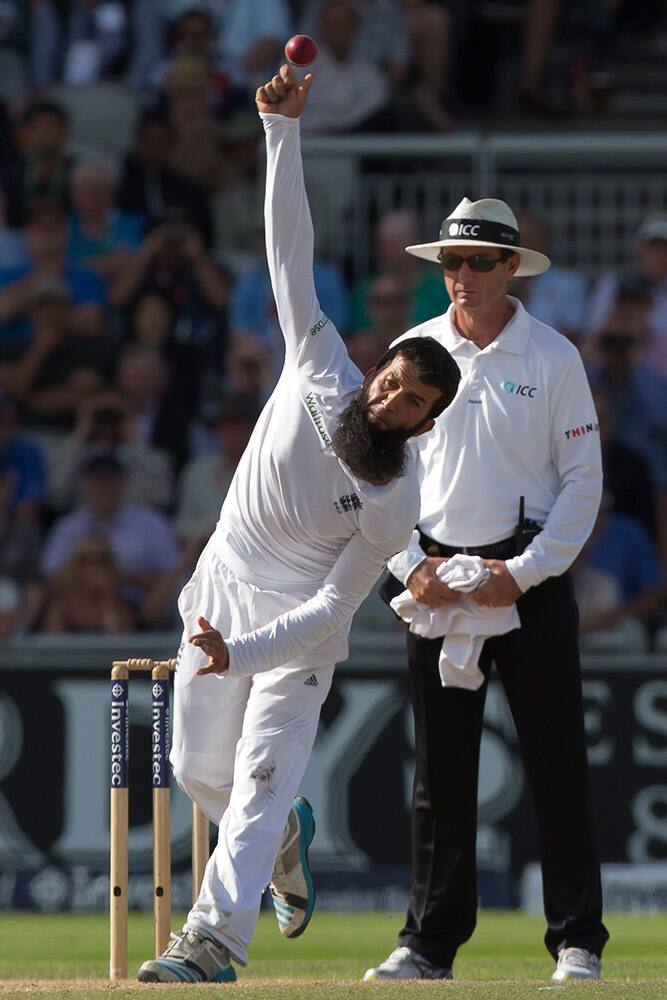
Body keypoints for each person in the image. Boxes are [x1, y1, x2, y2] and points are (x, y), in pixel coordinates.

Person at [136, 63, 460, 984]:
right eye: (393, 379)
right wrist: (281, 131)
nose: (391, 398)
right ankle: (289, 843)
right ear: (378, 366)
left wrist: (244, 653)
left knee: (258, 782)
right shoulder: (318, 359)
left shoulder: (396, 500)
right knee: (202, 772)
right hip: (222, 584)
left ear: (424, 422)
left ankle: (211, 943)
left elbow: (331, 612)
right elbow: (288, 250)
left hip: (292, 635)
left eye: (410, 402)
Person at [364, 195, 609, 983]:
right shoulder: (413, 346)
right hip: (436, 579)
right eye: (450, 262)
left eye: (477, 262)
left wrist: (524, 572)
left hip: (521, 577)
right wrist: (409, 565)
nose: (461, 277)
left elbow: (581, 481)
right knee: (439, 774)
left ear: (510, 267)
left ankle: (576, 939)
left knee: (554, 763)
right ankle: (428, 943)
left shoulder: (552, 356)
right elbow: (376, 471)